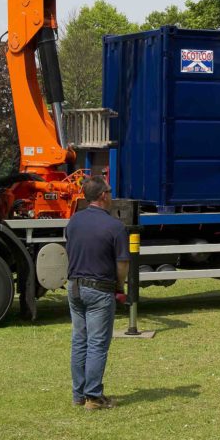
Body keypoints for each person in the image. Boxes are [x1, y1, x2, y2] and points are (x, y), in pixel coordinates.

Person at [66, 175, 128, 410]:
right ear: (103, 196)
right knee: (97, 344)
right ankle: (93, 396)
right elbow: (122, 264)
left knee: (79, 341)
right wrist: (119, 287)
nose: (111, 195)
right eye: (110, 191)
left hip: (74, 287)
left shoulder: (74, 221)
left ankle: (78, 395)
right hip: (99, 290)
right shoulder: (115, 226)